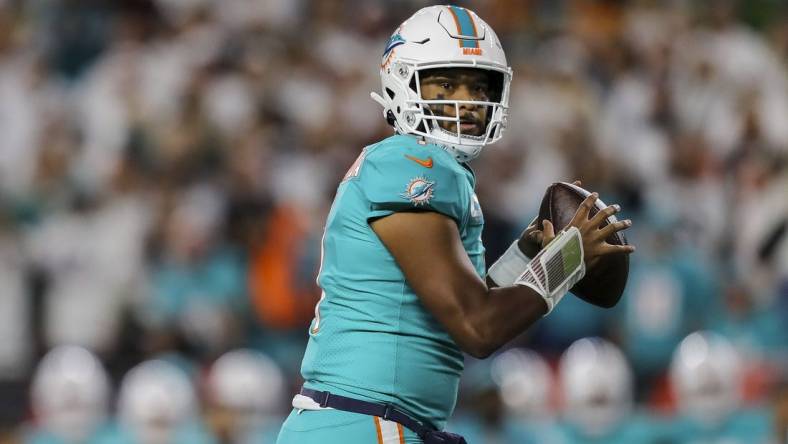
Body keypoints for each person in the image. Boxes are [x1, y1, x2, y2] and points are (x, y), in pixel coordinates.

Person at [276, 5, 634, 444]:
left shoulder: (431, 171)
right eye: (446, 83)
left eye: (477, 86)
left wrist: (525, 255)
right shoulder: (409, 162)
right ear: (402, 81)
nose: (465, 100)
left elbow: (460, 318)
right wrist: (570, 256)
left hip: (369, 422)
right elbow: (476, 326)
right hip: (365, 424)